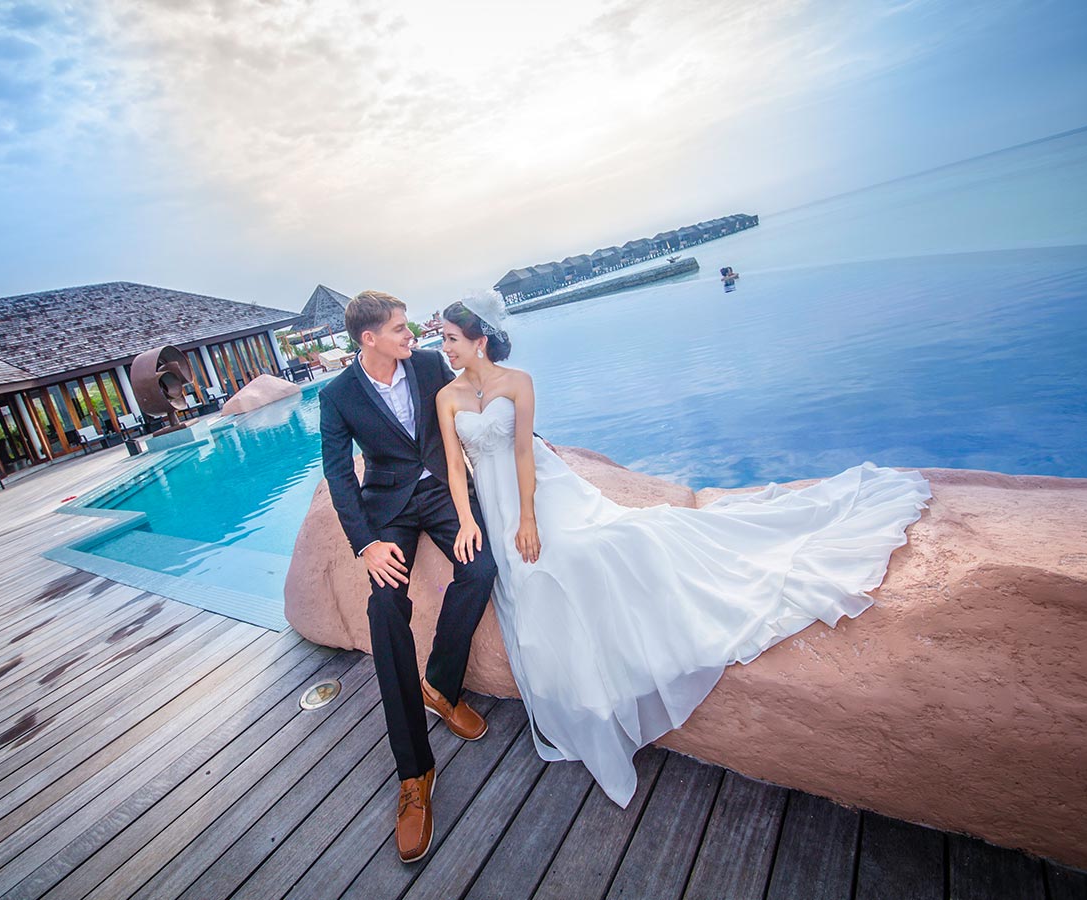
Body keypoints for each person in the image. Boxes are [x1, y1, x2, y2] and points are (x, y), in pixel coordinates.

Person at [433, 289, 931, 807]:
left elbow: (523, 453)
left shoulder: (518, 383)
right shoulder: (448, 396)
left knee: (608, 543)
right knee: (538, 583)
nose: (443, 347)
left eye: (449, 339)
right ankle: (590, 697)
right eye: (443, 339)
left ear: (479, 339)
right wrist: (470, 520)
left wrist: (529, 519)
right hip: (493, 503)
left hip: (542, 494)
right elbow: (454, 466)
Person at [317, 290, 498, 863]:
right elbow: (339, 476)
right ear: (368, 339)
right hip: (388, 510)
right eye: (400, 329)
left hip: (442, 494)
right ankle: (415, 774)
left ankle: (440, 686)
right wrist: (366, 544)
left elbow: (472, 399)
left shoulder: (424, 364)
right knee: (385, 609)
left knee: (482, 566)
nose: (412, 336)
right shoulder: (337, 395)